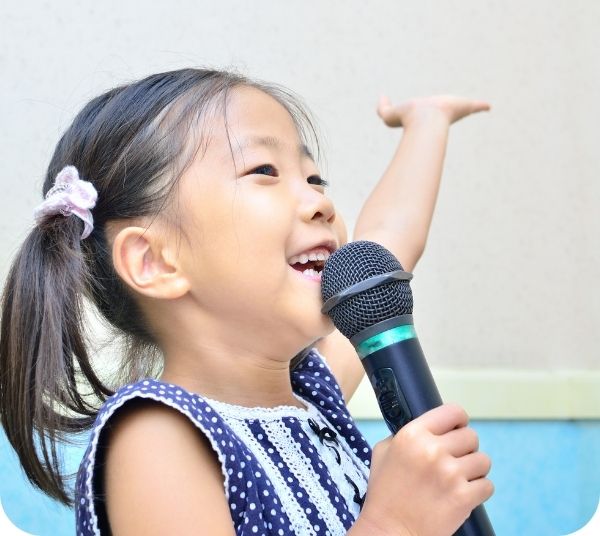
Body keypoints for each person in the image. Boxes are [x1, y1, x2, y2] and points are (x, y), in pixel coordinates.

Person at [0, 68, 493, 536]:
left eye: (314, 179)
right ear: (155, 261)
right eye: (264, 170)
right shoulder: (156, 437)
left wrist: (427, 124)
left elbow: (390, 239)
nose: (322, 203)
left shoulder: (314, 395)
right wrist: (395, 524)